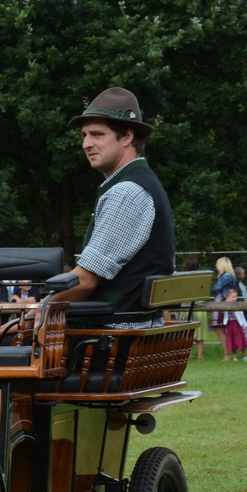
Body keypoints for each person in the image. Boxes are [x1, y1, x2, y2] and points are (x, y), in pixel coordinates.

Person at [50, 88, 176, 321]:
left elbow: (85, 281)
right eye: (84, 135)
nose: (86, 144)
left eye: (97, 134)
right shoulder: (143, 182)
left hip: (113, 333)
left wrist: (34, 313)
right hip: (124, 330)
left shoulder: (127, 192)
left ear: (127, 137)